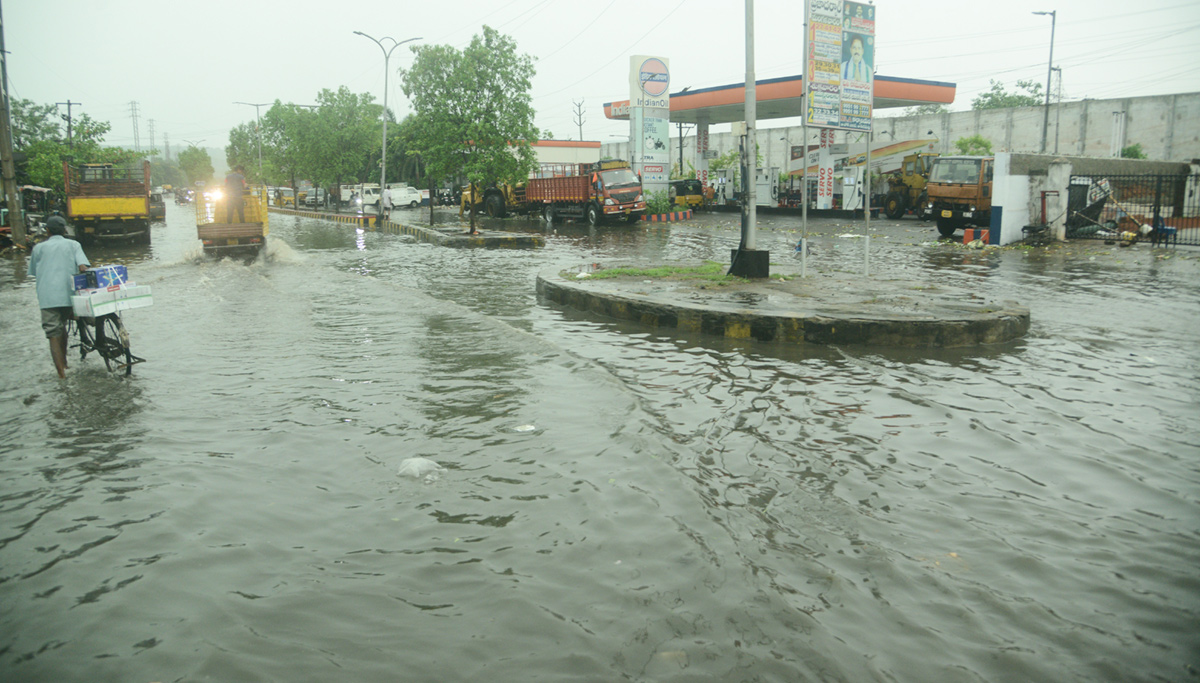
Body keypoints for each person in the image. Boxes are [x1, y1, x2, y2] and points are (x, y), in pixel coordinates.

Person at [27, 215, 89, 379]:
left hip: (47, 298)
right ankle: (66, 363)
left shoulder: (38, 248)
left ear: (47, 231)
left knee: (53, 333)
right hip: (68, 295)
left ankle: (61, 374)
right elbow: (83, 267)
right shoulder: (74, 245)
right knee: (63, 325)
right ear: (65, 230)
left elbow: (33, 272)